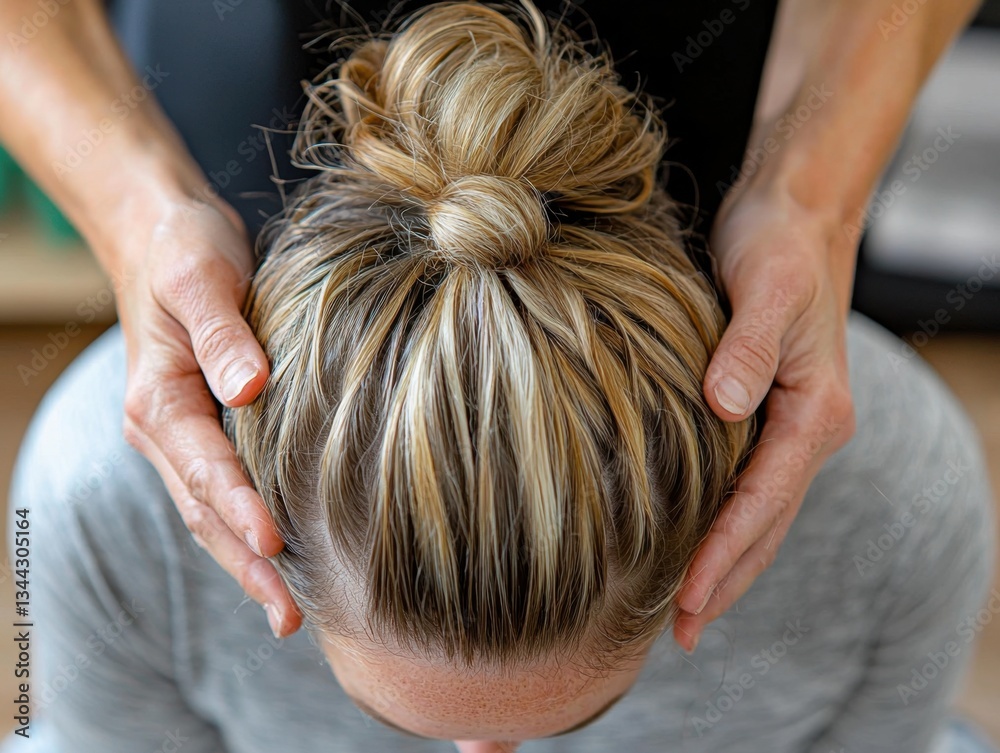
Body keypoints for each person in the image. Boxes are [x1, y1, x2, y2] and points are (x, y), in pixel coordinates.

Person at [5, 3, 997, 752]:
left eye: (582, 721)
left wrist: (808, 194)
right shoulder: (104, 493)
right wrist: (140, 212)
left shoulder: (895, 497)